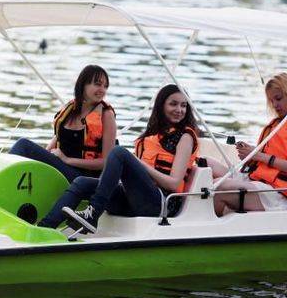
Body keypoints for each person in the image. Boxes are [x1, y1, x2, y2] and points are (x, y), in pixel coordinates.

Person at [38, 84, 199, 233]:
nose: (179, 109)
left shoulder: (185, 137)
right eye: (174, 104)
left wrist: (138, 164)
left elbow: (173, 183)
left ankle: (92, 214)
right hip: (136, 199)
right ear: (161, 105)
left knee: (118, 152)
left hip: (161, 204)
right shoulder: (152, 135)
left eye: (183, 105)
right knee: (82, 182)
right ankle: (45, 229)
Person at [213, 72, 287, 214]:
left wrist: (258, 155)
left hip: (279, 194)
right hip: (257, 181)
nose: (275, 105)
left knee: (219, 186)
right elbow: (265, 161)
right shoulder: (278, 124)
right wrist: (250, 156)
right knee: (206, 164)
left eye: (278, 98)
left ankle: (205, 228)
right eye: (271, 101)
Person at [9, 65, 116, 184]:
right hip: (61, 168)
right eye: (97, 84)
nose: (102, 89)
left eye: (105, 86)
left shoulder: (106, 115)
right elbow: (53, 145)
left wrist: (68, 160)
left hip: (81, 178)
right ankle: (5, 183)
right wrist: (41, 160)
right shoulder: (70, 110)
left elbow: (107, 162)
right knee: (24, 150)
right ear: (83, 84)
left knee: (23, 145)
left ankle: (3, 183)